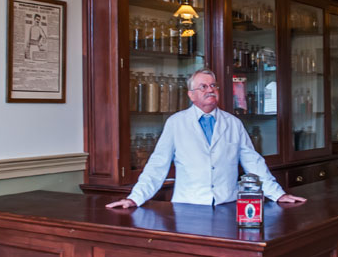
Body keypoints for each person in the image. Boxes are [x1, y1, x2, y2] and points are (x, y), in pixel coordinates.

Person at [106, 68, 306, 209]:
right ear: (191, 95)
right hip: (188, 207)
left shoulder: (233, 123)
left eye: (213, 86)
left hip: (227, 204)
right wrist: (134, 199)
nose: (210, 90)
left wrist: (278, 194)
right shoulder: (176, 123)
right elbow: (157, 166)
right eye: (203, 87)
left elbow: (253, 163)